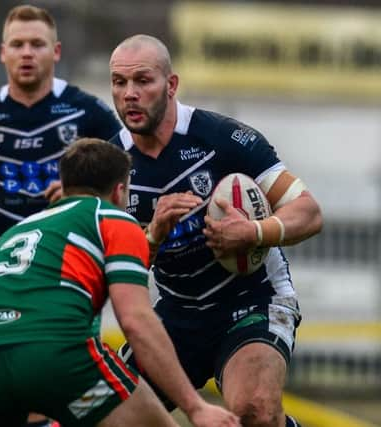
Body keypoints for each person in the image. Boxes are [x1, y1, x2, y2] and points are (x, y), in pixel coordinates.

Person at [0, 138, 240, 427]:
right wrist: (196, 407)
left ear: (64, 185)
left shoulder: (16, 231)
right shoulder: (113, 219)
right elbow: (136, 320)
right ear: (119, 191)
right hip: (53, 356)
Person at [108, 34, 323, 427]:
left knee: (253, 411)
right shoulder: (110, 163)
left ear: (171, 85)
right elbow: (109, 264)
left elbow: (308, 212)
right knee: (108, 418)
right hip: (175, 312)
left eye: (143, 80)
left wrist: (256, 233)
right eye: (119, 83)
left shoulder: (223, 139)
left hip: (251, 298)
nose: (130, 94)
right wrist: (152, 235)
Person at [0, 5, 121, 427]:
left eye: (37, 44)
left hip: (72, 259)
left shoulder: (86, 111)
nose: (27, 52)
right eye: (17, 44)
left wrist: (80, 194)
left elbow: (128, 176)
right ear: (2, 53)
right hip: (8, 259)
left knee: (65, 352)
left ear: (57, 51)